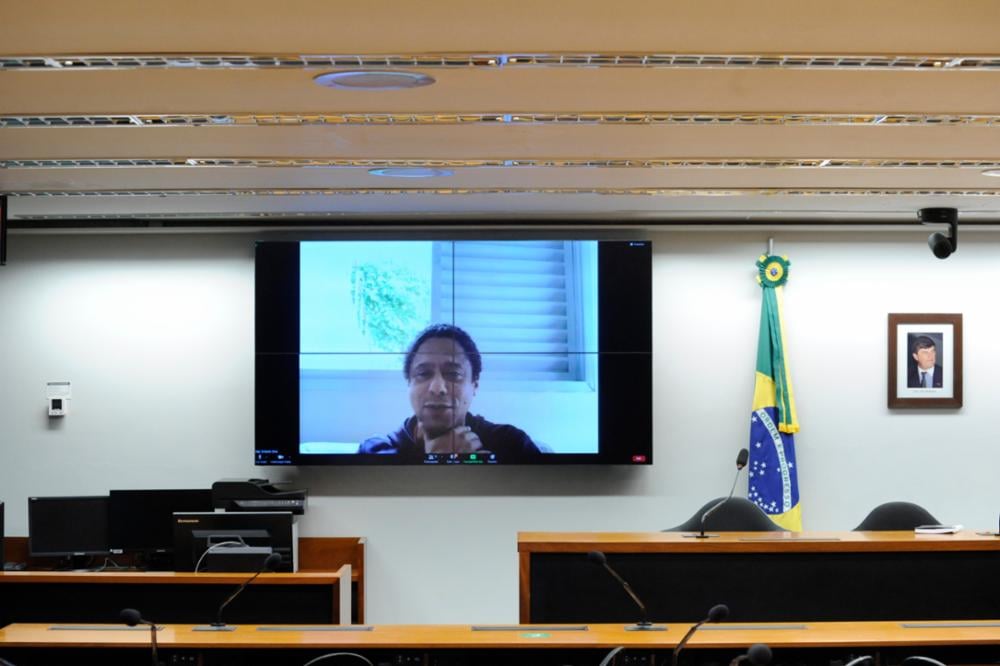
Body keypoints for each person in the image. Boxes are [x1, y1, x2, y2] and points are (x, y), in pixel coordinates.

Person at [359, 324, 542, 461]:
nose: (437, 388)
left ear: (474, 385)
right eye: (424, 373)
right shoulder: (374, 452)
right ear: (409, 382)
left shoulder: (511, 444)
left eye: (453, 374)